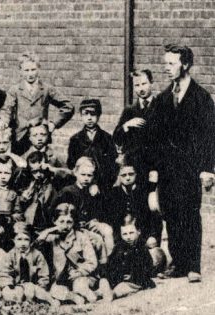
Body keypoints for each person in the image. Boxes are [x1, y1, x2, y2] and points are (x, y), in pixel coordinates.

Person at [150, 44, 215, 282]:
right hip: (167, 169)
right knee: (171, 213)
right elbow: (155, 137)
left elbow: (210, 136)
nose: (166, 68)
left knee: (189, 212)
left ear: (185, 64)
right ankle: (177, 262)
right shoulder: (164, 98)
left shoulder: (201, 98)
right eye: (165, 63)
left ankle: (193, 265)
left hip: (190, 168)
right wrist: (155, 169)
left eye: (171, 63)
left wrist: (208, 169)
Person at [0, 51, 74, 155]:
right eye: (26, 70)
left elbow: (68, 106)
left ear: (38, 69)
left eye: (33, 69)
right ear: (20, 71)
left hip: (40, 137)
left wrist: (53, 123)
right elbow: (7, 109)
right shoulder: (14, 90)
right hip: (20, 137)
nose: (30, 74)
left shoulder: (46, 89)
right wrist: (3, 121)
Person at [36, 203, 98, 305]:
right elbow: (36, 246)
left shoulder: (81, 237)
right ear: (54, 221)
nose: (65, 225)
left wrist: (80, 272)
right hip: (61, 279)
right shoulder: (51, 238)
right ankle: (75, 297)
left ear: (74, 223)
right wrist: (51, 229)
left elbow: (92, 262)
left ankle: (90, 295)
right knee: (55, 291)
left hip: (81, 276)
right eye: (61, 221)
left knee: (80, 286)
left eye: (69, 222)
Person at [53, 157, 114, 255]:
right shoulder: (68, 191)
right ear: (76, 173)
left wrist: (95, 219)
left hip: (89, 223)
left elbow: (99, 209)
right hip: (74, 226)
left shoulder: (92, 190)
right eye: (83, 175)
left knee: (107, 229)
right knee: (96, 240)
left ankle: (110, 259)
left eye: (89, 175)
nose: (86, 178)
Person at [113, 70, 158, 184]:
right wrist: (126, 125)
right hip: (134, 167)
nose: (141, 89)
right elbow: (117, 138)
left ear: (151, 83)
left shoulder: (161, 107)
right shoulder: (130, 110)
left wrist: (157, 168)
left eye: (144, 84)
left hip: (155, 167)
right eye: (137, 85)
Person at [0, 222, 59, 308]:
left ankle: (48, 301)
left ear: (31, 241)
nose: (23, 243)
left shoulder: (37, 254)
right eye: (19, 239)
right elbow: (5, 273)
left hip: (33, 286)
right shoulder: (10, 255)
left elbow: (43, 274)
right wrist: (8, 286)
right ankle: (18, 302)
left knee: (32, 290)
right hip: (16, 286)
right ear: (14, 240)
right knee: (12, 294)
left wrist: (41, 286)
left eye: (26, 239)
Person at [67, 99, 117, 192]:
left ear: (99, 115)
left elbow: (112, 166)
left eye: (93, 114)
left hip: (102, 186)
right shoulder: (75, 140)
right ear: (81, 116)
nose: (89, 118)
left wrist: (100, 184)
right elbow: (71, 165)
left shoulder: (107, 138)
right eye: (85, 114)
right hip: (81, 185)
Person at [106, 162, 162, 245]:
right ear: (119, 177)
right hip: (121, 237)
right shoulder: (113, 194)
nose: (128, 178)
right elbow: (111, 219)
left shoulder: (144, 191)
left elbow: (154, 217)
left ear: (136, 175)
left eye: (131, 174)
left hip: (143, 235)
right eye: (124, 175)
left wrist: (153, 236)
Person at [105, 215, 155, 299]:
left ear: (138, 232)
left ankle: (112, 294)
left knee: (122, 287)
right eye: (124, 234)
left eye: (131, 233)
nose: (128, 237)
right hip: (119, 279)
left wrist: (133, 275)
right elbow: (110, 263)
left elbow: (147, 268)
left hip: (136, 281)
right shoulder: (118, 247)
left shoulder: (141, 248)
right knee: (106, 282)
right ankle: (98, 293)